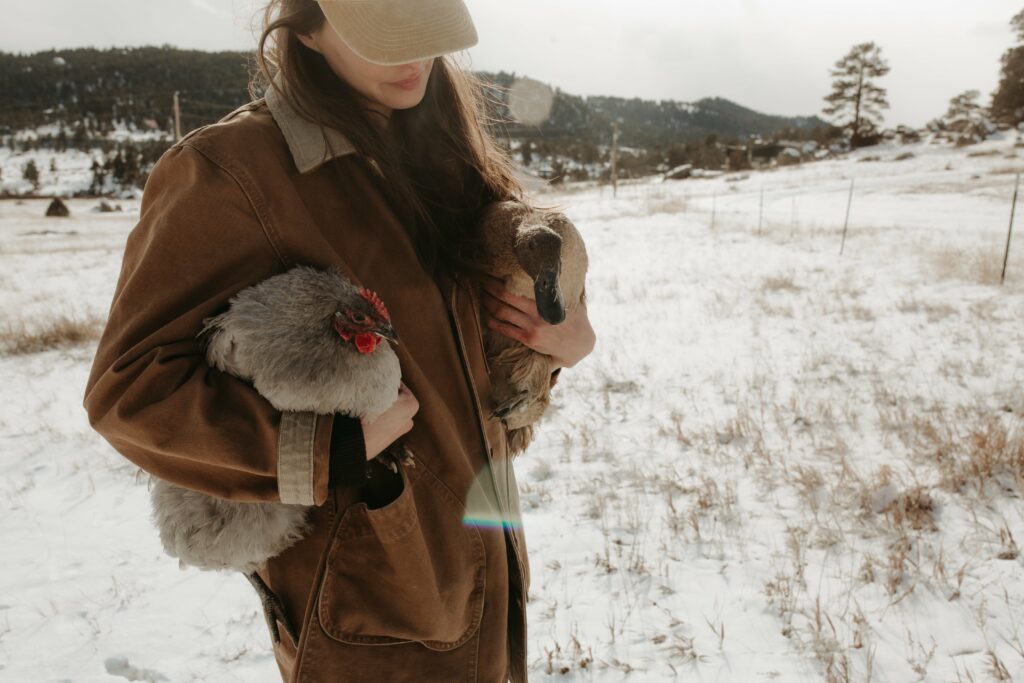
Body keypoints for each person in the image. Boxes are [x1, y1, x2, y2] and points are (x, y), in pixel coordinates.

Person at [82, 0, 595, 681]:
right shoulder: (232, 170)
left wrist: (558, 345)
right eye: (385, 35)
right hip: (368, 623)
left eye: (426, 33)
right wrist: (329, 448)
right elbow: (128, 390)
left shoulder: (442, 157)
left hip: (484, 591)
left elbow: (466, 366)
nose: (414, 57)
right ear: (309, 27)